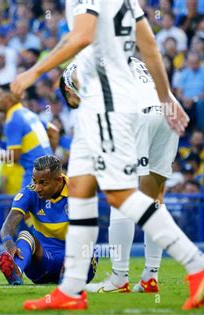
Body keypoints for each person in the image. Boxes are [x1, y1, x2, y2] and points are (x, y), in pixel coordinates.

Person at [10, 0, 204, 311]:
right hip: (151, 107)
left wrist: (34, 72)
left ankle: (190, 265)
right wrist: (166, 97)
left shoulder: (81, 22)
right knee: (89, 188)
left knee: (119, 193)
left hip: (114, 107)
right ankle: (82, 287)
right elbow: (149, 44)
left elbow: (81, 37)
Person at [59, 58, 180, 293]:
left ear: (67, 90)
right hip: (167, 110)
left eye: (73, 103)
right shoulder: (126, 56)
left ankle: (119, 278)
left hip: (136, 115)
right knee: (155, 198)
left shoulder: (75, 69)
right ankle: (150, 276)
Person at [0, 155, 97, 285]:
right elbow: (9, 223)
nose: (37, 187)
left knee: (87, 245)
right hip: (44, 263)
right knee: (25, 235)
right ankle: (15, 272)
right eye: (35, 181)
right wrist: (8, 242)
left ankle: (68, 275)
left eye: (43, 183)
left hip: (75, 257)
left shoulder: (78, 191)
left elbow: (88, 230)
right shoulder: (30, 192)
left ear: (58, 180)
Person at [0, 84, 58, 188]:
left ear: (8, 99)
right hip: (52, 170)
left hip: (35, 173)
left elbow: (14, 157)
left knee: (21, 204)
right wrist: (50, 156)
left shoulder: (12, 121)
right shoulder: (29, 113)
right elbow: (54, 131)